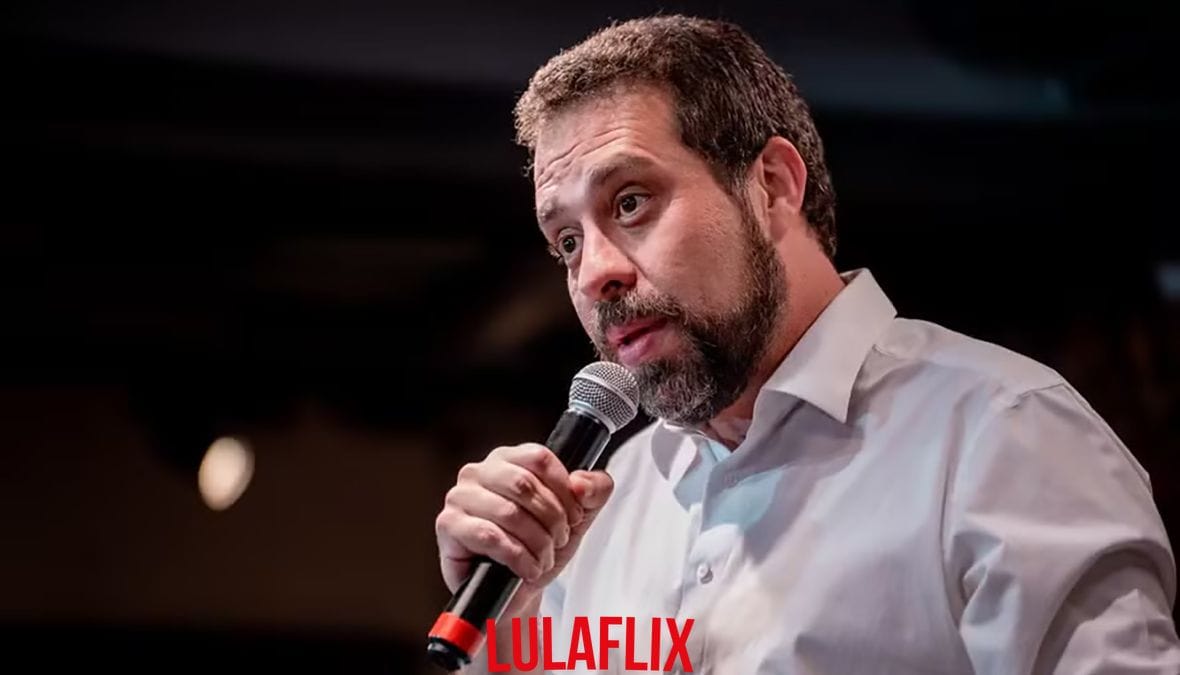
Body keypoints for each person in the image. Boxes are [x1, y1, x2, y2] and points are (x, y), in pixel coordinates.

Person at [433, 14, 1180, 674]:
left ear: (772, 185)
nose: (595, 272)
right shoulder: (609, 502)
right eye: (567, 241)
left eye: (630, 202)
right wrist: (513, 613)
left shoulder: (1004, 434)